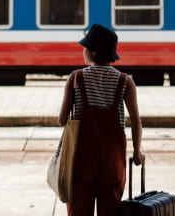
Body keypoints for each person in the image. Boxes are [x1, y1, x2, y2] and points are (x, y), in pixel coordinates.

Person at [58, 23, 145, 216]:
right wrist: (137, 152)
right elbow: (136, 122)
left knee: (79, 209)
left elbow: (62, 120)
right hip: (112, 161)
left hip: (81, 160)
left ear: (94, 52)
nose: (83, 51)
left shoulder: (75, 78)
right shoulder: (125, 81)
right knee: (111, 210)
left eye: (86, 47)